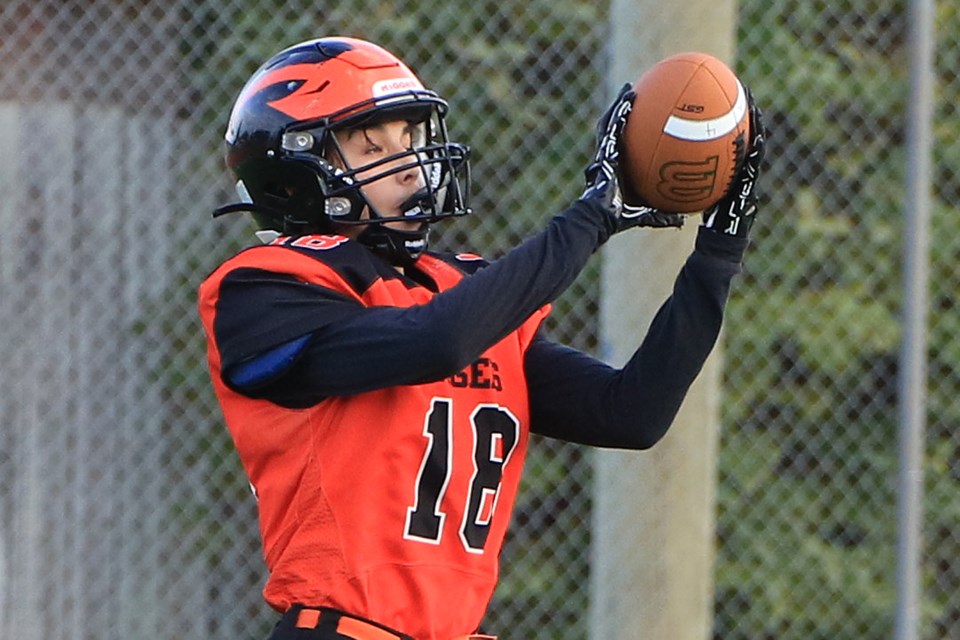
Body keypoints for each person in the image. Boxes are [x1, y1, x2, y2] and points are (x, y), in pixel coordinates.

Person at [198, 36, 765, 640]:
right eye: (373, 144)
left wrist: (719, 251)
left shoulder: (459, 286)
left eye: (411, 139)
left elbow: (632, 413)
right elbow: (435, 343)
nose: (410, 162)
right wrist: (593, 213)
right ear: (294, 174)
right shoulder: (264, 287)